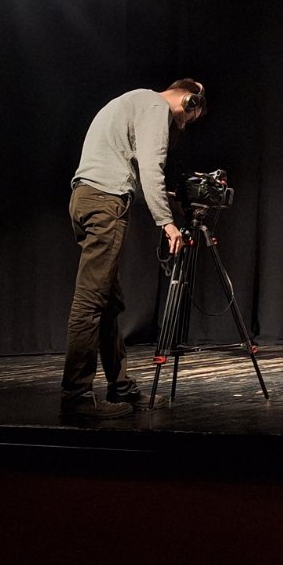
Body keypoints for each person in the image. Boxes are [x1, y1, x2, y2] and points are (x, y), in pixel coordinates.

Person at [61, 78, 206, 419]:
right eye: (190, 117)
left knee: (109, 302)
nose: (183, 125)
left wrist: (164, 198)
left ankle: (121, 386)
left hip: (85, 198)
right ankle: (76, 396)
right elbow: (151, 167)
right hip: (104, 203)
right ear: (189, 101)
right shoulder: (156, 106)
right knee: (90, 301)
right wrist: (166, 221)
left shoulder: (134, 100)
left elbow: (128, 168)